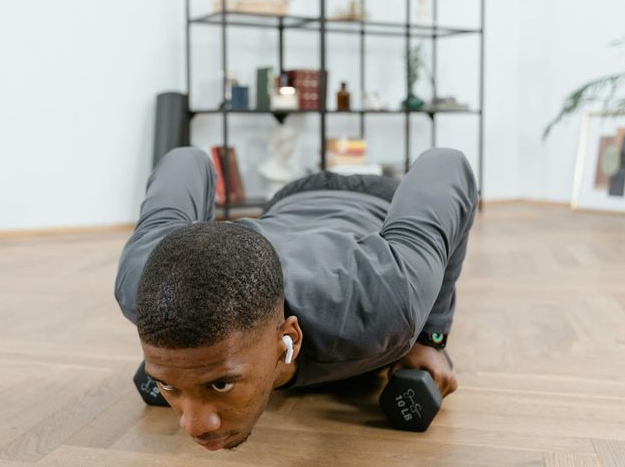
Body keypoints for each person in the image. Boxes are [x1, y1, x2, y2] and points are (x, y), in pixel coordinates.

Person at [115, 146, 478, 451]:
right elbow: (186, 159)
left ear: (289, 338)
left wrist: (431, 336)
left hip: (378, 200)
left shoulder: (384, 300)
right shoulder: (145, 286)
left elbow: (446, 164)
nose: (193, 426)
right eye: (167, 385)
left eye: (220, 383)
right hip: (289, 201)